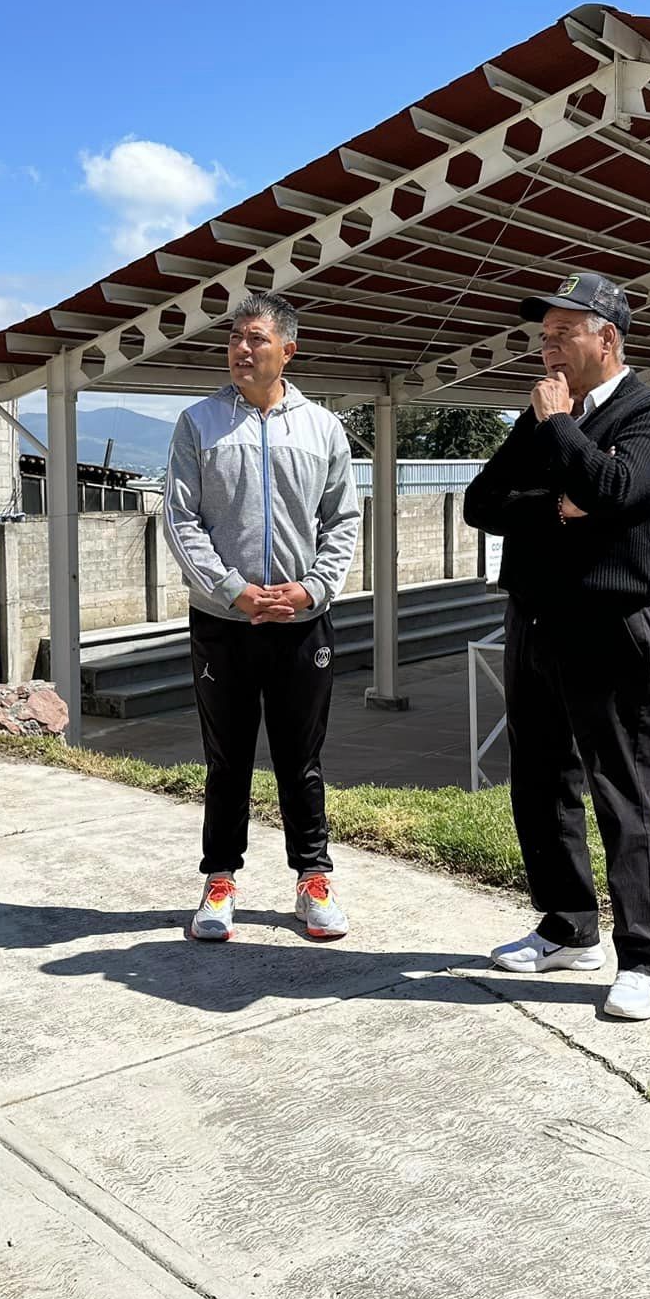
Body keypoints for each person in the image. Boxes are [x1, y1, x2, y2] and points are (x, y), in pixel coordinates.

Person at [462, 273, 650, 1020]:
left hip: (605, 627)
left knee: (621, 789)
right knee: (540, 781)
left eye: (563, 332)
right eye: (545, 331)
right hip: (532, 621)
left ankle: (646, 957)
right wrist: (559, 506)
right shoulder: (542, 416)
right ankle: (568, 927)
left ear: (608, 339)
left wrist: (562, 434)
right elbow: (482, 504)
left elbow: (620, 490)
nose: (546, 344)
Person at [163, 292, 363, 943]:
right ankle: (219, 882)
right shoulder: (199, 423)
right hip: (224, 623)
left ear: (287, 350)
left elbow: (343, 520)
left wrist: (310, 589)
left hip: (303, 625)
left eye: (255, 339)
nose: (241, 350)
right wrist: (231, 589)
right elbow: (179, 517)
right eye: (234, 339)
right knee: (228, 760)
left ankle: (313, 878)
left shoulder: (323, 429)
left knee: (301, 760)